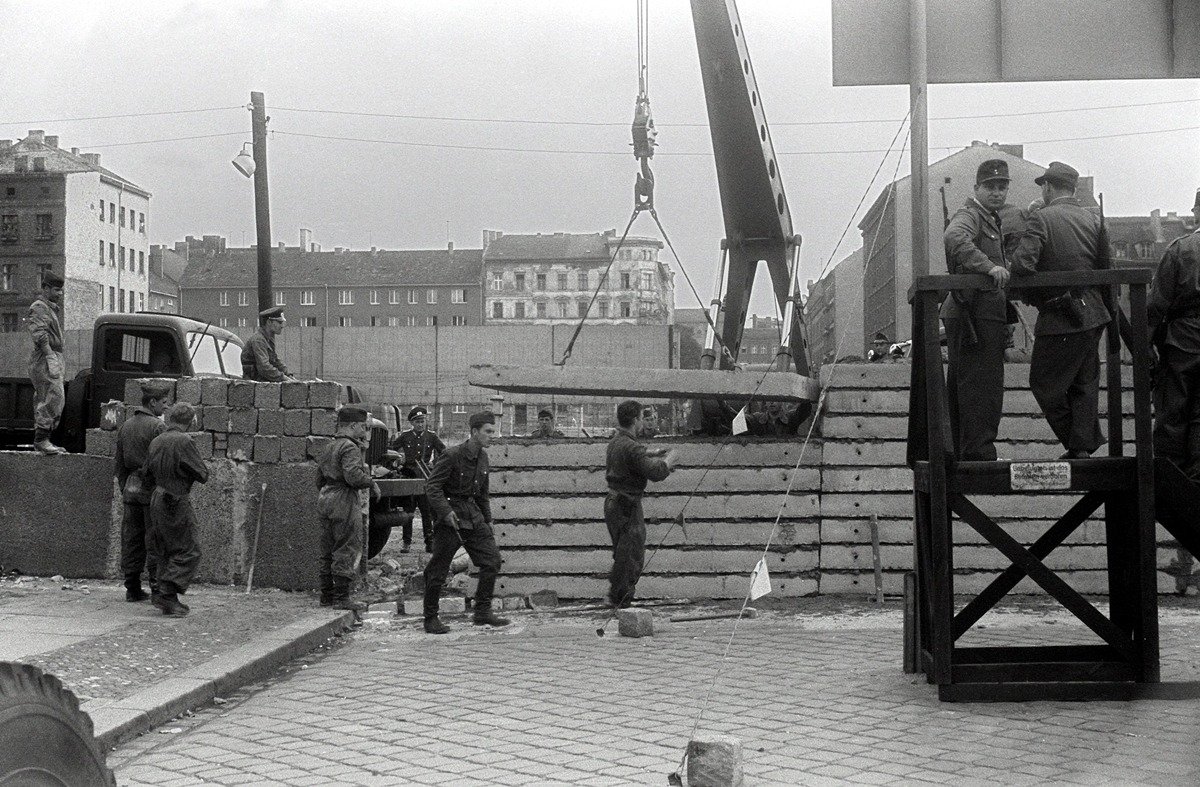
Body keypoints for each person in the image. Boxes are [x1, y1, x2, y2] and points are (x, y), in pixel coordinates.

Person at [1010, 161, 1110, 459]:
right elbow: (1104, 265)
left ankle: (1081, 442)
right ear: (1074, 188)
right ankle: (1081, 447)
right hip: (1094, 312)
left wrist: (1036, 297)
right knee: (1084, 383)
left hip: (1060, 315)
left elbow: (1021, 265)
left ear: (1048, 187)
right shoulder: (1093, 220)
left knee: (1044, 385)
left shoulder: (1041, 218)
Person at [941, 159, 1014, 460]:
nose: (997, 192)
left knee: (967, 383)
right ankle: (979, 452)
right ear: (976, 189)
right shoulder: (971, 215)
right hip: (974, 311)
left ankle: (962, 449)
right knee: (982, 384)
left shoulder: (988, 217)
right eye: (990, 187)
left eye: (1002, 186)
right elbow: (954, 238)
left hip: (976, 311)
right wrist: (989, 267)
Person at [421, 411, 508, 634]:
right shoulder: (452, 455)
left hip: (473, 514)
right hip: (450, 518)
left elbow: (483, 495)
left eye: (493, 430)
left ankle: (482, 612)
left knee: (492, 560)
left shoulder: (484, 458)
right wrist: (445, 511)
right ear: (474, 432)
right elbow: (432, 487)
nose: (492, 435)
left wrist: (488, 521)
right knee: (438, 570)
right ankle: (430, 618)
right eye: (488, 431)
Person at [1147, 188, 1200, 476]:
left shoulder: (1182, 248)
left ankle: (1172, 482)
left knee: (1173, 409)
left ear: (1196, 212)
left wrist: (1144, 346)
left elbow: (1155, 305)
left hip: (1184, 338)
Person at [605, 400, 676, 608]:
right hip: (627, 505)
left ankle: (616, 596)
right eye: (640, 418)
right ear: (635, 420)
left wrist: (650, 453)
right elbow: (655, 473)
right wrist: (669, 460)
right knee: (632, 554)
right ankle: (621, 601)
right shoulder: (631, 446)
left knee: (622, 553)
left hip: (614, 502)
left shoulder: (616, 441)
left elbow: (632, 455)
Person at [143, 403, 208, 616]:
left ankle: (162, 593)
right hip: (175, 498)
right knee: (189, 548)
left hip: (157, 497)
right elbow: (202, 474)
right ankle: (168, 592)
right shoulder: (185, 441)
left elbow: (146, 472)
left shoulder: (156, 441)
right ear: (191, 420)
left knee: (164, 548)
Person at [316, 405, 379, 611]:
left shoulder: (329, 446)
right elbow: (353, 476)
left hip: (325, 497)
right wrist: (371, 482)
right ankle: (342, 598)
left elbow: (318, 478)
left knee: (328, 549)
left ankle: (326, 596)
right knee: (346, 546)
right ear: (352, 426)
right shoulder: (350, 447)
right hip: (343, 500)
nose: (364, 431)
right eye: (362, 426)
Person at [113, 380, 170, 603]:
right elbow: (161, 461)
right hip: (152, 490)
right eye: (164, 403)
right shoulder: (158, 427)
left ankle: (132, 588)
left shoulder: (126, 425)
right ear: (153, 402)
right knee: (154, 538)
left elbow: (119, 463)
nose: (166, 407)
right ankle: (157, 590)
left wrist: (124, 487)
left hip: (131, 489)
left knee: (131, 539)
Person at [391, 406, 446, 553]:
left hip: (425, 478)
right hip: (409, 476)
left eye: (422, 421)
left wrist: (434, 464)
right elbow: (391, 449)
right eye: (417, 422)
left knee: (426, 512)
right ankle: (406, 543)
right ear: (412, 423)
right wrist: (398, 462)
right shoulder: (405, 436)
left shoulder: (431, 436)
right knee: (408, 511)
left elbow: (444, 452)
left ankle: (430, 542)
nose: (420, 424)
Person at [26, 270, 67, 455]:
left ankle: (45, 439)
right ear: (45, 288)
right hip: (45, 357)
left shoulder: (48, 308)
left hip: (51, 356)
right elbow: (40, 336)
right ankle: (41, 440)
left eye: (61, 290)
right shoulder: (39, 307)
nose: (60, 293)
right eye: (56, 290)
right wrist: (50, 357)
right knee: (52, 396)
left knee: (55, 397)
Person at [241, 306, 296, 382]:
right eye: (279, 322)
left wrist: (289, 375)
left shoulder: (268, 339)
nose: (282, 326)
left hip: (261, 384)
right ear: (269, 322)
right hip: (252, 385)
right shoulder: (258, 340)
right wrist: (285, 379)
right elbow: (264, 367)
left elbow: (275, 361)